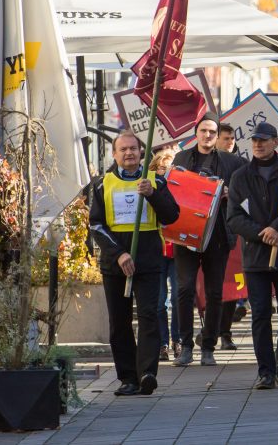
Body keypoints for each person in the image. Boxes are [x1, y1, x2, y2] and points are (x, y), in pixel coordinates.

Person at [90, 132, 180, 396]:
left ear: (141, 152)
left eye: (133, 149)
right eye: (123, 150)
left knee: (150, 315)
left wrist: (153, 195)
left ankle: (148, 373)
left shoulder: (155, 181)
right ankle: (127, 377)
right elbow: (96, 224)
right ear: (115, 154)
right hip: (115, 263)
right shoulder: (101, 184)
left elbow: (172, 215)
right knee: (120, 321)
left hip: (149, 260)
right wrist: (119, 253)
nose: (129, 153)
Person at [226, 122, 278, 390]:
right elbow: (234, 218)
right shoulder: (240, 176)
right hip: (256, 257)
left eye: (264, 140)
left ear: (276, 142)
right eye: (255, 140)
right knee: (260, 313)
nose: (258, 144)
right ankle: (265, 370)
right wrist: (262, 233)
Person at [170, 113, 246, 367]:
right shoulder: (182, 158)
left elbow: (245, 192)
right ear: (196, 132)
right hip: (187, 233)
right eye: (203, 131)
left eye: (212, 132)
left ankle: (208, 346)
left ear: (217, 135)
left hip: (218, 235)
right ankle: (185, 345)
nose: (207, 136)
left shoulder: (231, 161)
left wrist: (229, 193)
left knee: (215, 292)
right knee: (184, 289)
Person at [216, 121, 243, 351]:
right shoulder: (203, 161)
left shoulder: (240, 165)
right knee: (211, 286)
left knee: (231, 285)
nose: (229, 142)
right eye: (225, 138)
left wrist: (231, 193)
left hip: (232, 232)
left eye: (232, 138)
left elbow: (248, 196)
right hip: (206, 233)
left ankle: (225, 331)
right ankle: (210, 330)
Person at [152, 147, 180, 359]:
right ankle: (162, 343)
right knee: (160, 300)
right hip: (157, 251)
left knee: (179, 297)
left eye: (168, 167)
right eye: (161, 167)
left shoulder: (178, 188)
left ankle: (177, 340)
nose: (164, 171)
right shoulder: (151, 187)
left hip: (177, 250)